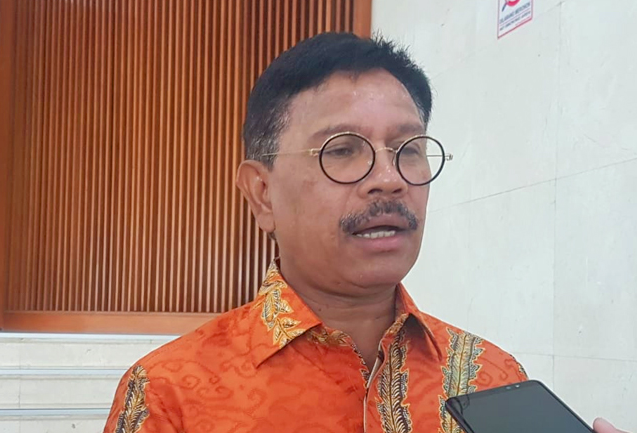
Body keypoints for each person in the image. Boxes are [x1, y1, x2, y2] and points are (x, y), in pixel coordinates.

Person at [104, 33, 628, 433]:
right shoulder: (167, 396)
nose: (389, 179)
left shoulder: (492, 376)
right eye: (342, 150)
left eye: (409, 149)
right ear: (262, 194)